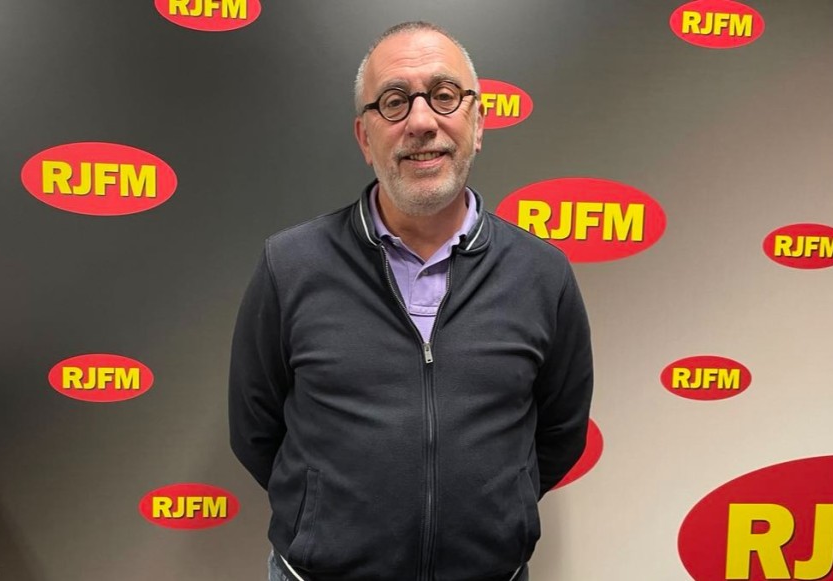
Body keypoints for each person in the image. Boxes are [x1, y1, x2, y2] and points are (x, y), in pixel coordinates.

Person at [229, 21, 594, 581]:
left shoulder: (542, 274)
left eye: (444, 96)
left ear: (478, 123)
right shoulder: (291, 266)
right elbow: (255, 430)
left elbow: (559, 434)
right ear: (364, 137)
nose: (422, 122)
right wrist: (319, 514)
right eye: (394, 102)